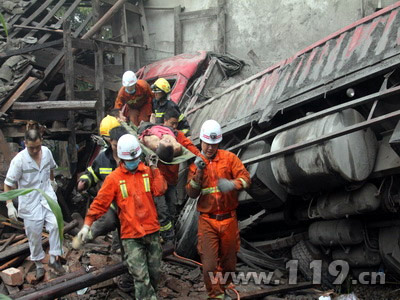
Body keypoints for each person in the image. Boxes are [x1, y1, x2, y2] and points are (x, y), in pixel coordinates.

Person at [76, 134, 166, 300]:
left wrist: (155, 168)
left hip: (151, 232)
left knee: (154, 274)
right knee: (141, 277)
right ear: (122, 159)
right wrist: (88, 224)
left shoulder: (147, 172)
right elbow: (99, 203)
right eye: (129, 159)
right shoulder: (114, 179)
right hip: (131, 236)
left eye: (136, 158)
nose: (133, 162)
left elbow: (160, 190)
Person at [186, 120, 251, 299]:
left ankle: (225, 286)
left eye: (214, 144)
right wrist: (198, 174)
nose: (210, 148)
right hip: (207, 220)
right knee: (209, 265)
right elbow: (191, 193)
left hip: (229, 219)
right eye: (207, 144)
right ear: (201, 141)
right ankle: (216, 295)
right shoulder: (196, 165)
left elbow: (246, 178)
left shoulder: (229, 159)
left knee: (229, 262)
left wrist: (233, 184)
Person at [3, 129, 65, 281]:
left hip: (47, 196)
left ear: (41, 141)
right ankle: (38, 264)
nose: (35, 150)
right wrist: (10, 205)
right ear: (25, 144)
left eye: (37, 146)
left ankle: (54, 259)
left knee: (56, 225)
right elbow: (8, 184)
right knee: (34, 234)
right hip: (30, 201)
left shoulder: (46, 152)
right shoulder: (19, 160)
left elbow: (51, 167)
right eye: (31, 147)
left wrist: (52, 181)